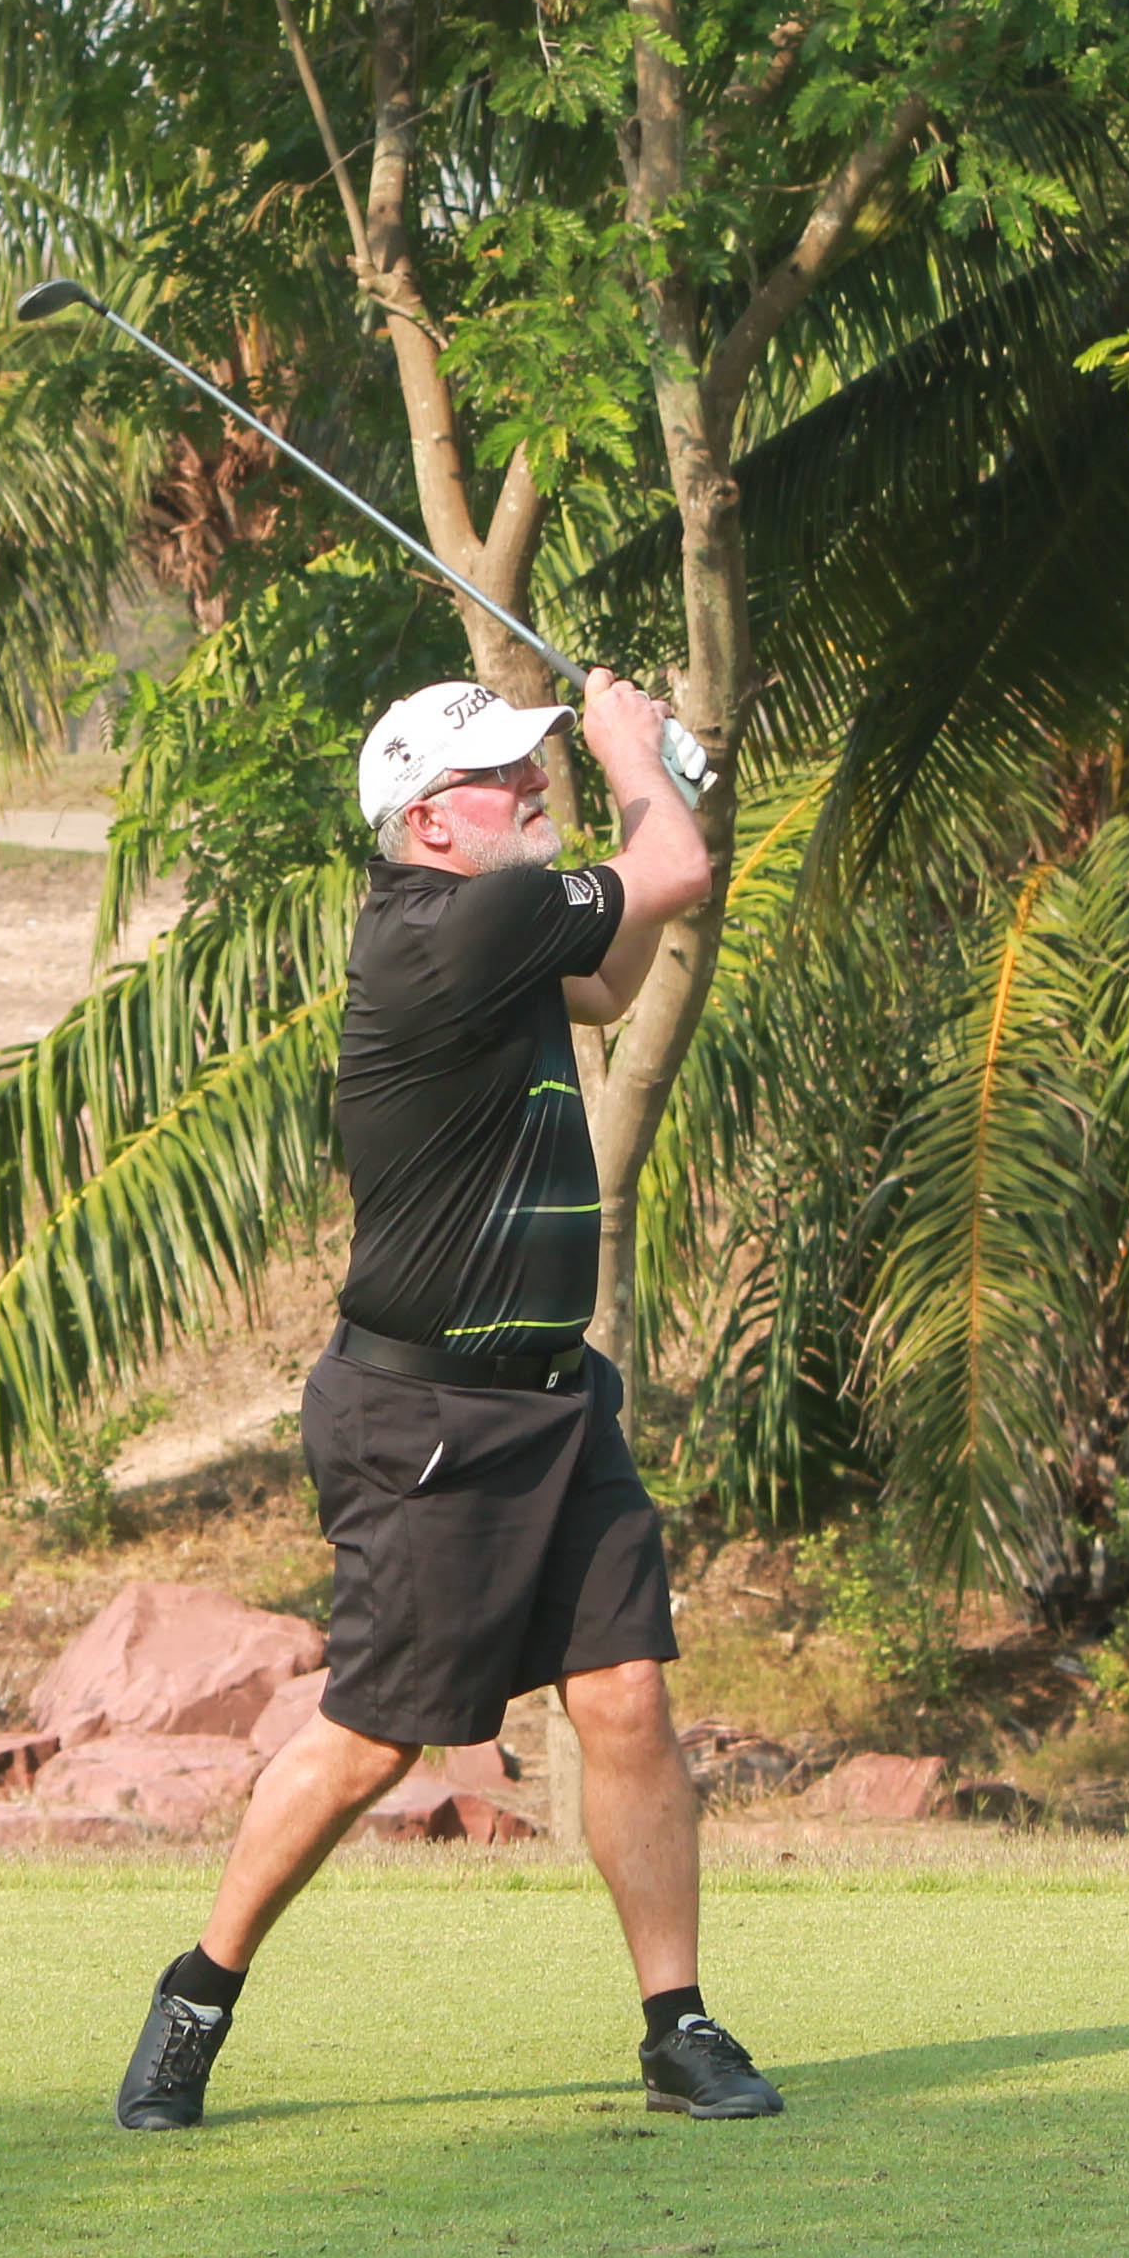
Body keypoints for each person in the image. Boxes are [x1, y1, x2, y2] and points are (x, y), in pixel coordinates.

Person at [114, 668, 781, 2129]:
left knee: (626, 1694)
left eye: (536, 761)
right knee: (376, 1737)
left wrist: (658, 789)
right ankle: (198, 1994)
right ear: (428, 822)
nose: (533, 785)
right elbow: (672, 874)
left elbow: (609, 979)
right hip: (425, 1423)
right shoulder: (455, 927)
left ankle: (677, 2027)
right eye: (503, 776)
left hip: (554, 1400)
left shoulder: (504, 933)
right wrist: (635, 757)